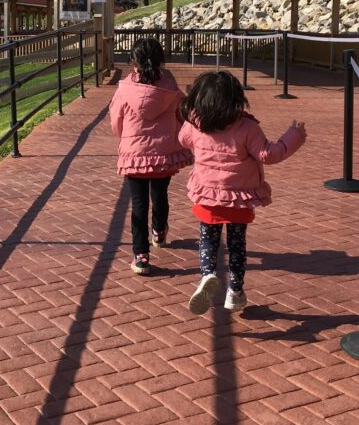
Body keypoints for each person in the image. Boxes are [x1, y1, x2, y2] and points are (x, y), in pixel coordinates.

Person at [178, 70, 306, 313]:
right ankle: (235, 291)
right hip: (239, 197)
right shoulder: (247, 127)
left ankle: (207, 274)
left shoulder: (196, 124)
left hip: (207, 195)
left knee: (207, 239)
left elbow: (183, 139)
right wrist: (294, 136)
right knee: (237, 244)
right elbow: (269, 154)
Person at [110, 38, 192, 275]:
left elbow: (117, 121)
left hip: (134, 155)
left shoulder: (124, 88)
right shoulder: (171, 89)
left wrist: (125, 138)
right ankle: (159, 231)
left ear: (133, 62)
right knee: (160, 194)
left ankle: (141, 255)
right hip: (163, 153)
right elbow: (182, 117)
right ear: (160, 61)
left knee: (138, 204)